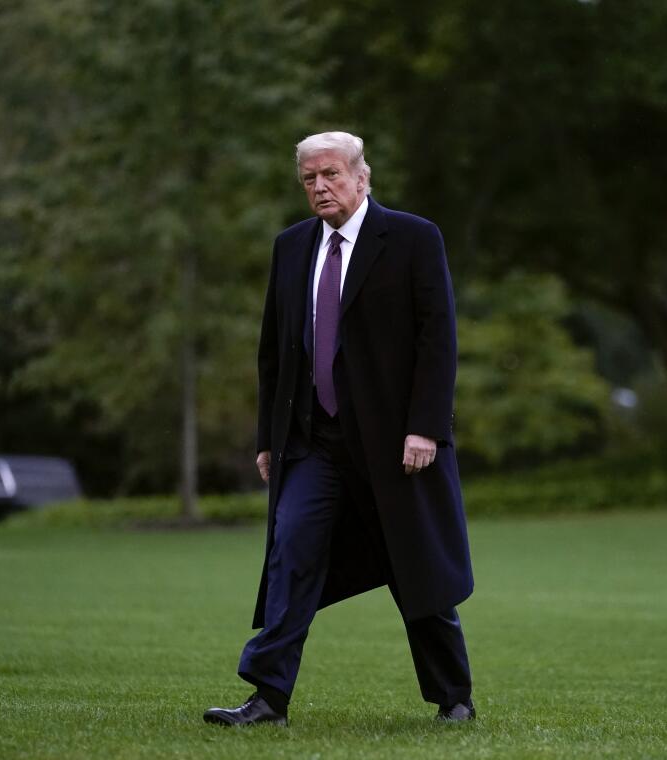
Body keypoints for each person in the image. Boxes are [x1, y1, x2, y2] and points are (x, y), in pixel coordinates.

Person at [203, 131, 475, 726]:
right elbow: (274, 351)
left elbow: (439, 340)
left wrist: (425, 427)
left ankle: (454, 698)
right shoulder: (291, 247)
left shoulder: (412, 239)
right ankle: (268, 698)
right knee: (290, 555)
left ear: (361, 177)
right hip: (313, 443)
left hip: (396, 445)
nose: (320, 187)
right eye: (309, 178)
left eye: (330, 174)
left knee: (417, 571)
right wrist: (269, 438)